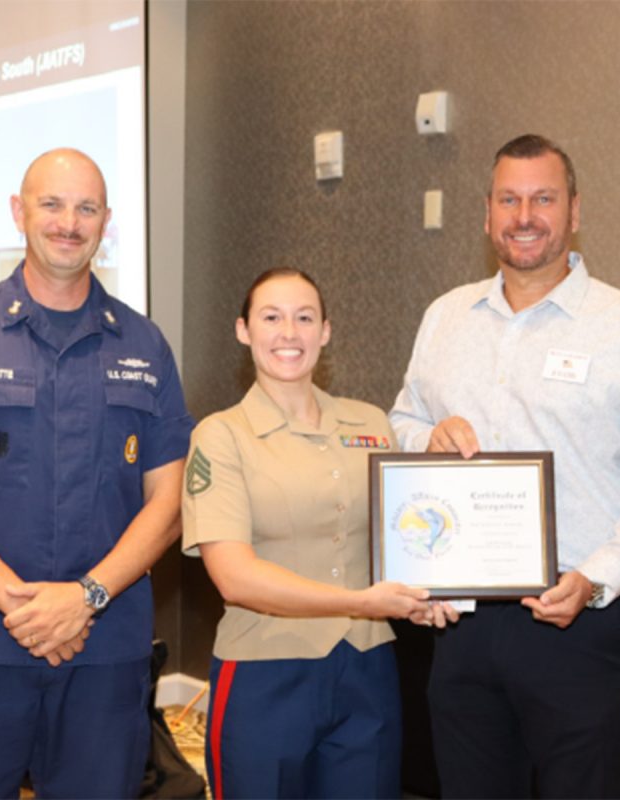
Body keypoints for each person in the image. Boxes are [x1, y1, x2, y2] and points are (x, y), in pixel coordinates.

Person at [389, 134, 620, 798]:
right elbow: (401, 420)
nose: (525, 215)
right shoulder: (445, 319)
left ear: (574, 211)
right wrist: (428, 438)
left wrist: (598, 575)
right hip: (461, 624)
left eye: (543, 198)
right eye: (509, 199)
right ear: (486, 215)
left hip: (578, 620)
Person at [0, 148, 192, 799]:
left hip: (103, 653)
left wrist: (84, 599)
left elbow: (169, 501)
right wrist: (22, 606)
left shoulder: (144, 346)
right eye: (52, 204)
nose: (68, 222)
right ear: (19, 212)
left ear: (106, 221)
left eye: (86, 208)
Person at [182, 268, 444, 800]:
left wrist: (427, 593)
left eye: (305, 318)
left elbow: (404, 539)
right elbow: (236, 578)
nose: (289, 333)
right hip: (264, 673)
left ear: (325, 331)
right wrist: (361, 601)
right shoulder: (221, 436)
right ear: (243, 330)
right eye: (271, 318)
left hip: (367, 669)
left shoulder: (371, 424)